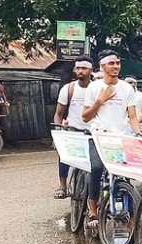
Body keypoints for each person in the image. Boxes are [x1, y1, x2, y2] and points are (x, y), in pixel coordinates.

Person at [82, 49, 142, 229]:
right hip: (99, 136)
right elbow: (85, 116)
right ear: (102, 66)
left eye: (117, 63)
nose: (115, 66)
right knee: (97, 168)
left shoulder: (126, 88)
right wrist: (100, 100)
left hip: (120, 139)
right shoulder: (94, 88)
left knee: (126, 174)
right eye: (111, 63)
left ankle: (132, 216)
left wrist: (138, 133)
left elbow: (132, 116)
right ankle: (92, 208)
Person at [52, 55, 93, 199]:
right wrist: (58, 132)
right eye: (78, 68)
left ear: (91, 70)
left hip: (93, 133)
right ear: (75, 70)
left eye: (84, 68)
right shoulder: (68, 89)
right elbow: (58, 114)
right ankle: (62, 185)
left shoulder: (97, 88)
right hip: (73, 131)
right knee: (63, 157)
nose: (81, 71)